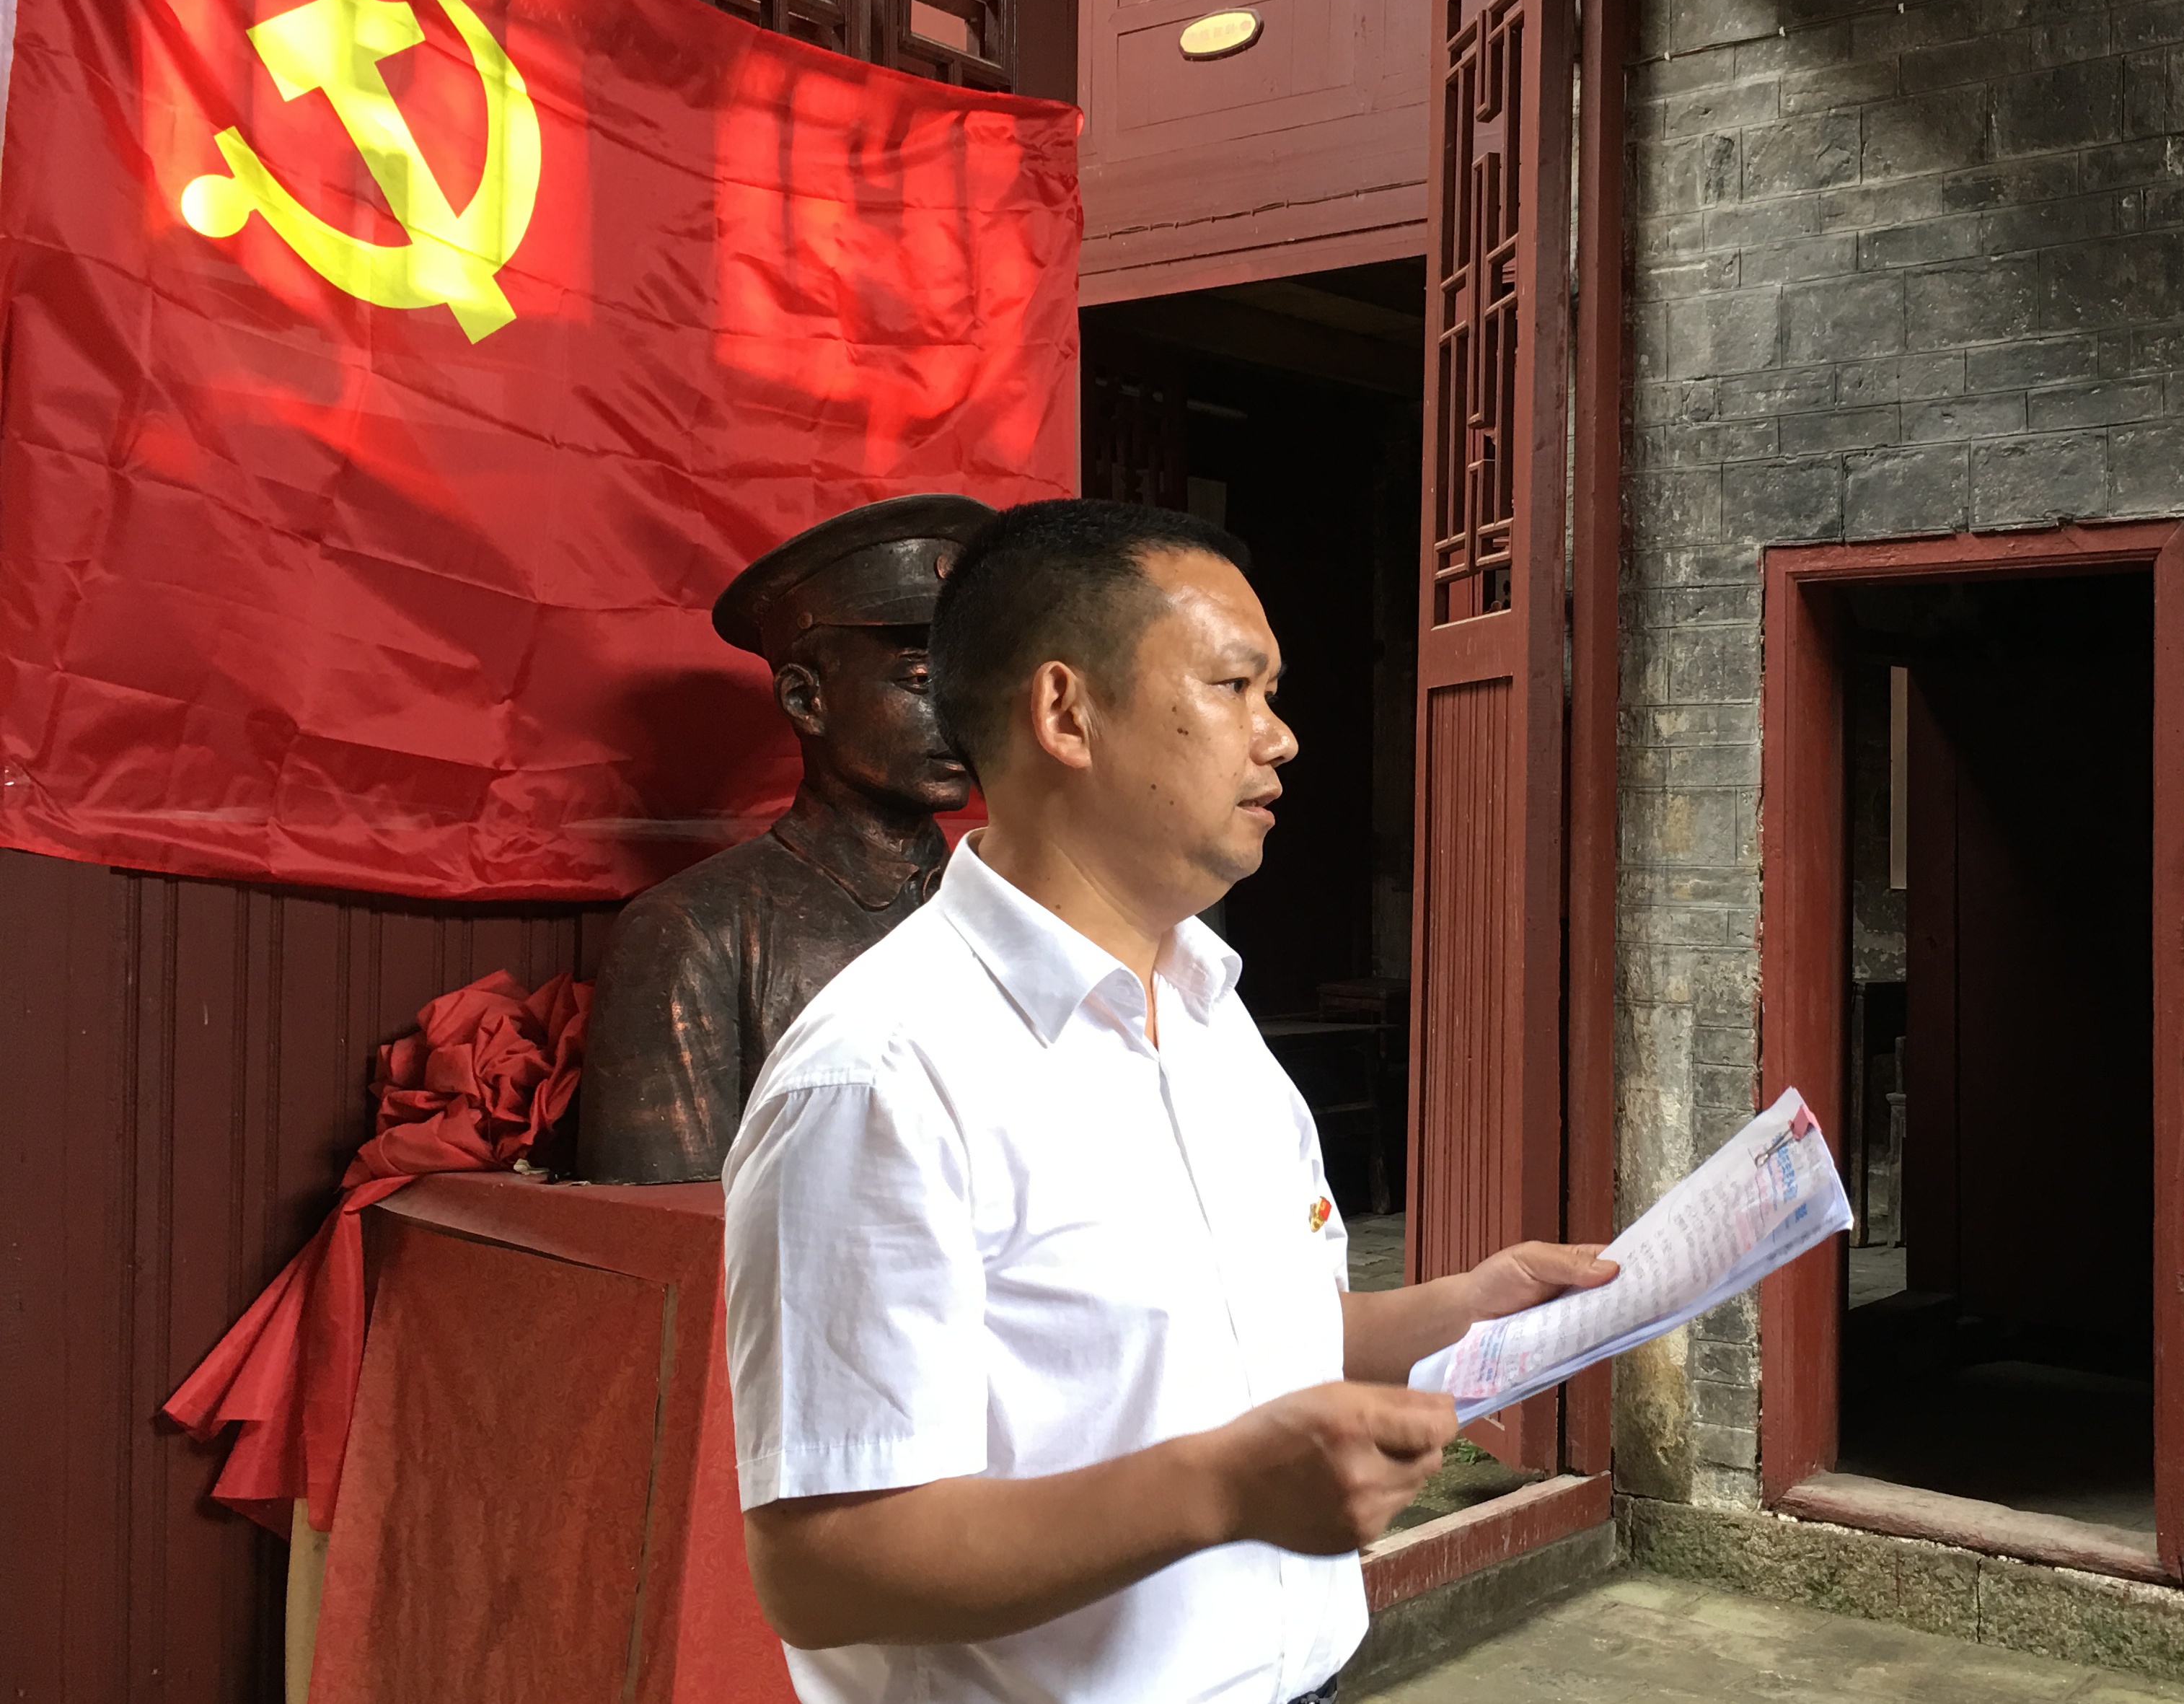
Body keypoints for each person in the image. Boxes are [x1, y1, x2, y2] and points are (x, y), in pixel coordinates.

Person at [723, 499, 1615, 1704]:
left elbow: (1240, 1333)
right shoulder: (882, 1073)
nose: (1278, 736)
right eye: (1235, 685)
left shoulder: (1204, 1007)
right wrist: (1216, 1489)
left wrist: (1461, 1311)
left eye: (1271, 692)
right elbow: (824, 1570)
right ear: (1065, 713)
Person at [578, 493, 994, 1184]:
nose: (956, 716)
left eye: (967, 683)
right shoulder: (693, 931)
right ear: (806, 699)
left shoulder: (1004, 908)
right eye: (921, 680)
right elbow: (668, 1227)